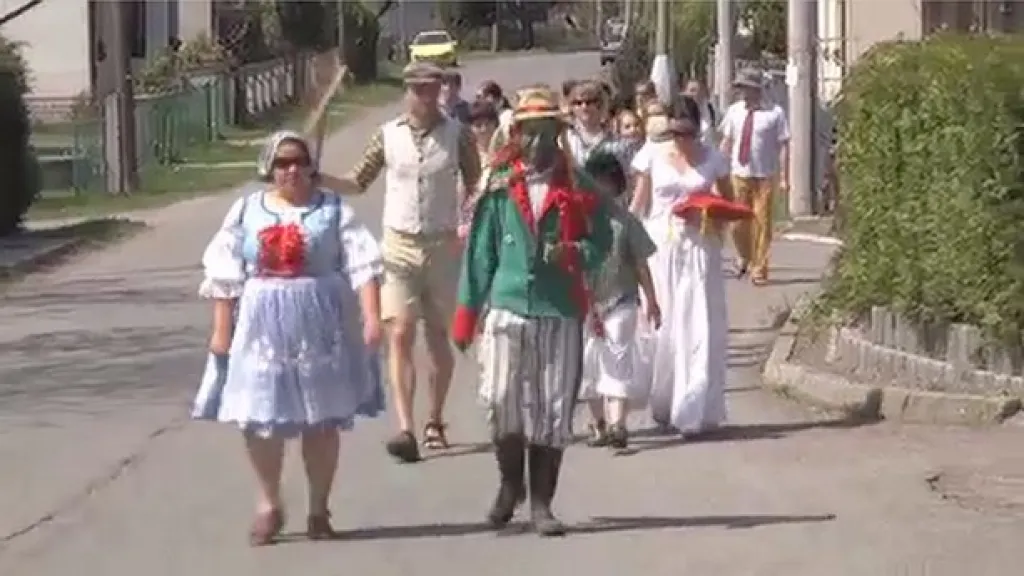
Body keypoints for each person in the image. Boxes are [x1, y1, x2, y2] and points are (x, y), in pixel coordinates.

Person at [195, 130, 384, 546]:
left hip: (320, 321)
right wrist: (221, 330)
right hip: (263, 323)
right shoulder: (247, 210)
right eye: (282, 163)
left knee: (320, 419)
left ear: (312, 166)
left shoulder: (333, 209)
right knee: (261, 417)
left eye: (299, 160)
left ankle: (319, 509)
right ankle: (268, 503)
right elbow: (224, 270)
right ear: (269, 168)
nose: (291, 170)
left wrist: (372, 316)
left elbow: (363, 262)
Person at [451, 86, 613, 537]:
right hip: (505, 305)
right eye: (530, 131)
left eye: (547, 131)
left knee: (553, 407)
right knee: (498, 397)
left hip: (558, 309)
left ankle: (542, 503)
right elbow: (480, 250)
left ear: (559, 134)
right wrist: (467, 310)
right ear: (517, 133)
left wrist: (574, 253)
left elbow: (603, 242)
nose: (538, 141)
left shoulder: (578, 185)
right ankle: (510, 484)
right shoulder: (499, 184)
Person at [341, 62, 482, 462]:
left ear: (440, 90)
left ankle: (434, 419)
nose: (424, 95)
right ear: (407, 91)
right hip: (399, 244)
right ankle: (405, 427)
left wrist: (471, 225)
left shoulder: (459, 135)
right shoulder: (388, 135)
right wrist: (319, 179)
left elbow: (477, 186)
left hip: (442, 244)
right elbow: (358, 180)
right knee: (400, 333)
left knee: (439, 337)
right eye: (417, 88)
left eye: (431, 88)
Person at [628, 117, 733, 435]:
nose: (681, 140)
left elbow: (728, 203)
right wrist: (625, 240)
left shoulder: (713, 158)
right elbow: (639, 203)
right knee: (665, 322)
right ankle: (665, 400)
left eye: (687, 134)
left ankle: (695, 407)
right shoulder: (652, 154)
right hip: (661, 246)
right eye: (675, 134)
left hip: (699, 246)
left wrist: (705, 210)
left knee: (698, 322)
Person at [578, 151, 660, 450]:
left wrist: (651, 300)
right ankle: (599, 424)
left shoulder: (626, 222)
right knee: (588, 366)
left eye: (607, 183)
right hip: (585, 303)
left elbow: (641, 264)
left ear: (617, 185)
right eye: (594, 182)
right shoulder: (578, 223)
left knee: (618, 356)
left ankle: (618, 424)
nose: (601, 189)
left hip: (622, 300)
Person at [718, 68, 790, 285]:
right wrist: (718, 168)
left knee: (762, 222)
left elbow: (784, 145)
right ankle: (745, 255)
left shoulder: (775, 113)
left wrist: (785, 176)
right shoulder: (734, 112)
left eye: (748, 88)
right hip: (739, 173)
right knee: (737, 223)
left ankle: (759, 267)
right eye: (741, 88)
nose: (744, 93)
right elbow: (726, 142)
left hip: (764, 175)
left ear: (757, 89)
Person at [564, 80, 642, 170]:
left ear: (600, 104)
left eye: (589, 102)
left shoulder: (617, 142)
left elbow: (631, 174)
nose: (584, 107)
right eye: (578, 103)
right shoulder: (565, 139)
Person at [681, 78, 718, 147]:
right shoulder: (681, 111)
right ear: (685, 92)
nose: (696, 93)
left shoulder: (710, 109)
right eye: (692, 90)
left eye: (699, 90)